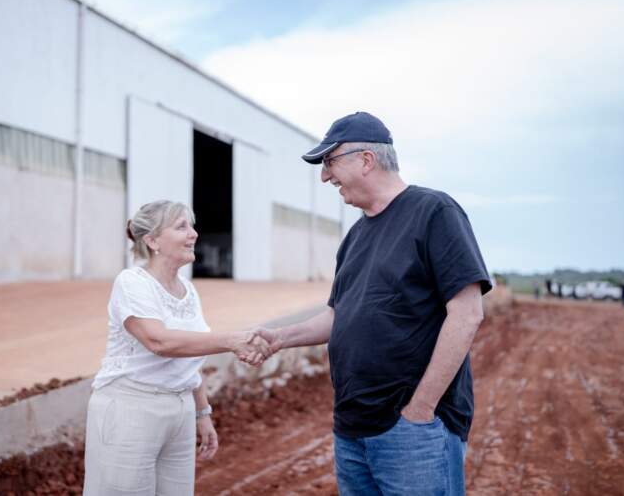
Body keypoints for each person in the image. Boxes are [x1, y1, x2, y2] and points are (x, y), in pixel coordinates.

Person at [253, 112, 492, 496]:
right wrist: (279, 337)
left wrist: (420, 410)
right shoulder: (356, 236)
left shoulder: (434, 212)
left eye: (330, 162)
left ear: (366, 160)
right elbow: (338, 316)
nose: (325, 176)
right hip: (352, 428)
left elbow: (467, 314)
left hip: (411, 431)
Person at [83, 200, 269, 496]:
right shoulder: (132, 283)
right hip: (132, 409)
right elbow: (159, 341)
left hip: (179, 411)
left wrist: (202, 412)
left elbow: (188, 360)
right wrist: (231, 341)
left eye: (191, 225)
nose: (193, 233)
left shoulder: (188, 290)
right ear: (152, 240)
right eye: (182, 226)